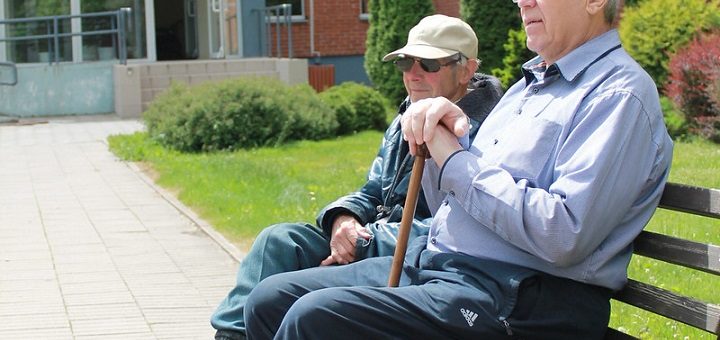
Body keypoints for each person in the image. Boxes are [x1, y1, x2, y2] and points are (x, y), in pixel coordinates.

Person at [243, 0, 675, 339]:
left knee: (315, 319)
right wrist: (430, 138)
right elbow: (452, 195)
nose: (522, 2)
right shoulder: (530, 86)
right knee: (269, 299)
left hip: (523, 298)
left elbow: (563, 233)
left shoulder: (618, 95)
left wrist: (453, 156)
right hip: (445, 268)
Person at [211, 14, 504, 340]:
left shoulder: (488, 130)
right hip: (371, 237)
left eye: (429, 64)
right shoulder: (407, 113)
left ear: (467, 69)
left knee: (301, 305)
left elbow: (457, 224)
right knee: (278, 241)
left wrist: (364, 239)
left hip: (417, 257)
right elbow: (375, 188)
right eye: (406, 63)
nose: (413, 74)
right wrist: (344, 219)